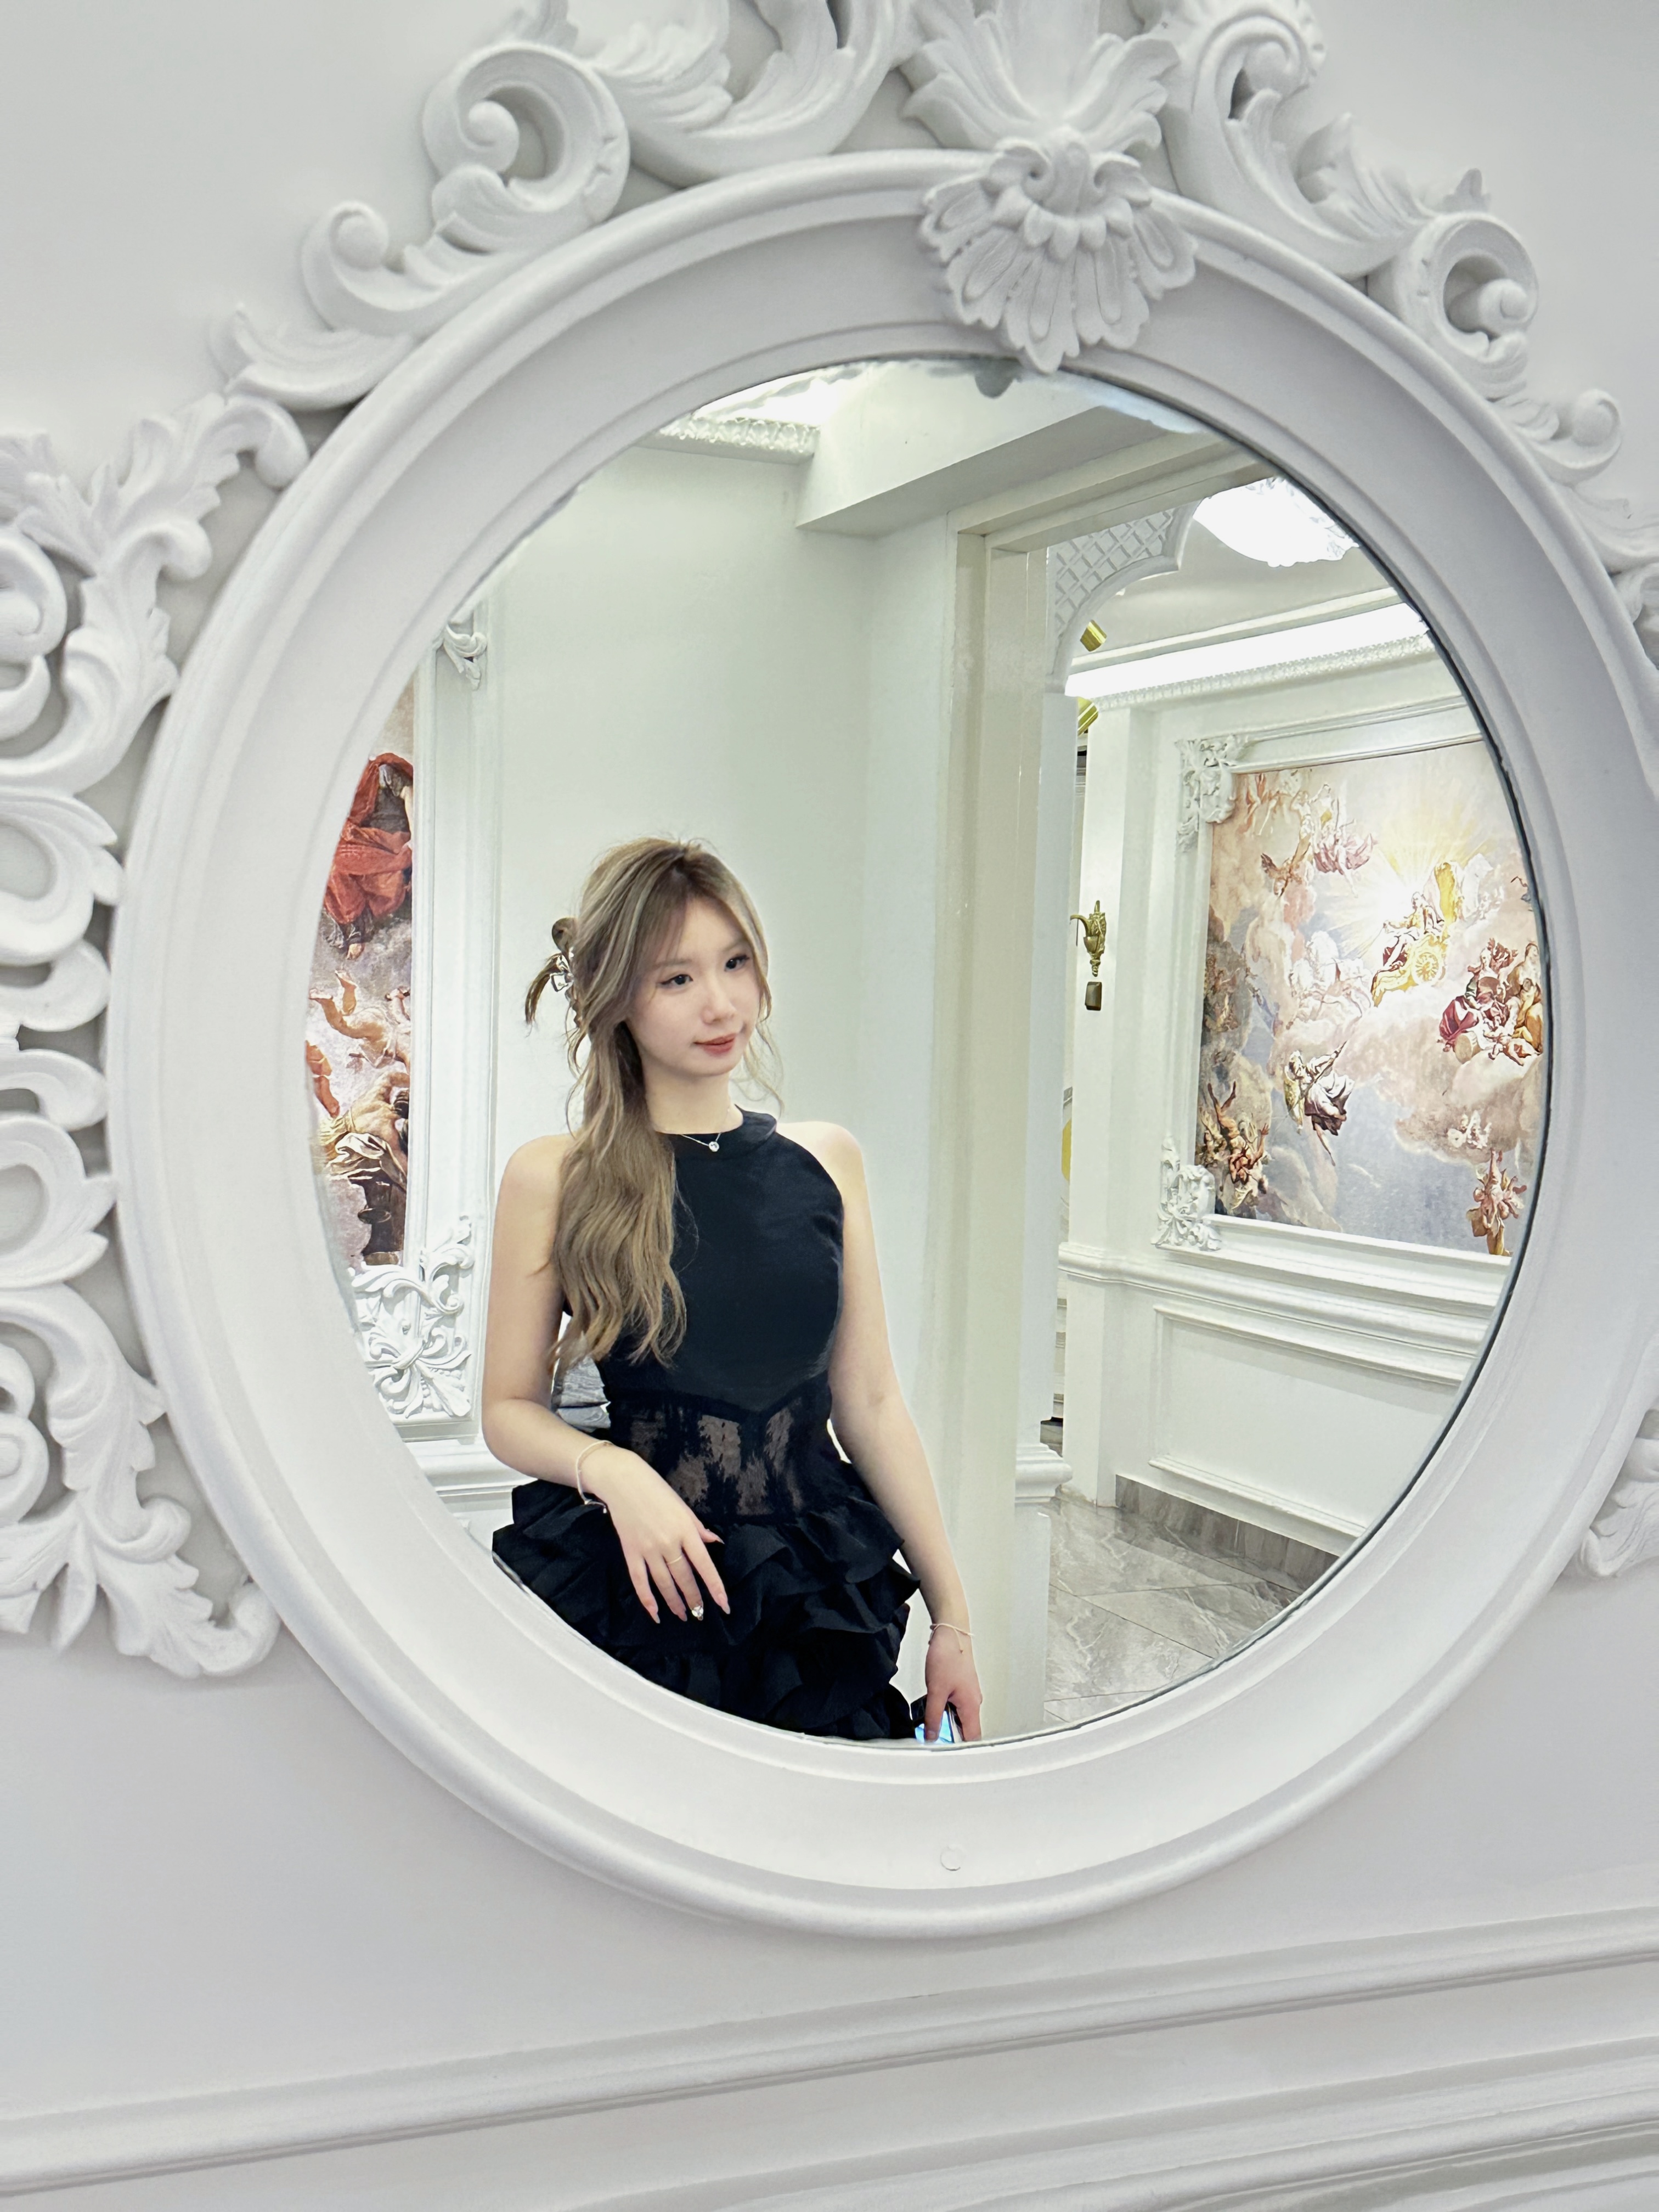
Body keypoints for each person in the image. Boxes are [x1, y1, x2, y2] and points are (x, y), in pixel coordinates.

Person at [483, 837, 982, 1743]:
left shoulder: (826, 1160)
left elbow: (871, 1405)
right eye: (676, 979)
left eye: (736, 963)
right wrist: (615, 1474)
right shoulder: (555, 1177)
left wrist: (953, 1618)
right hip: (643, 1589)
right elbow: (507, 1410)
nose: (721, 1004)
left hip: (813, 1596)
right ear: (616, 998)